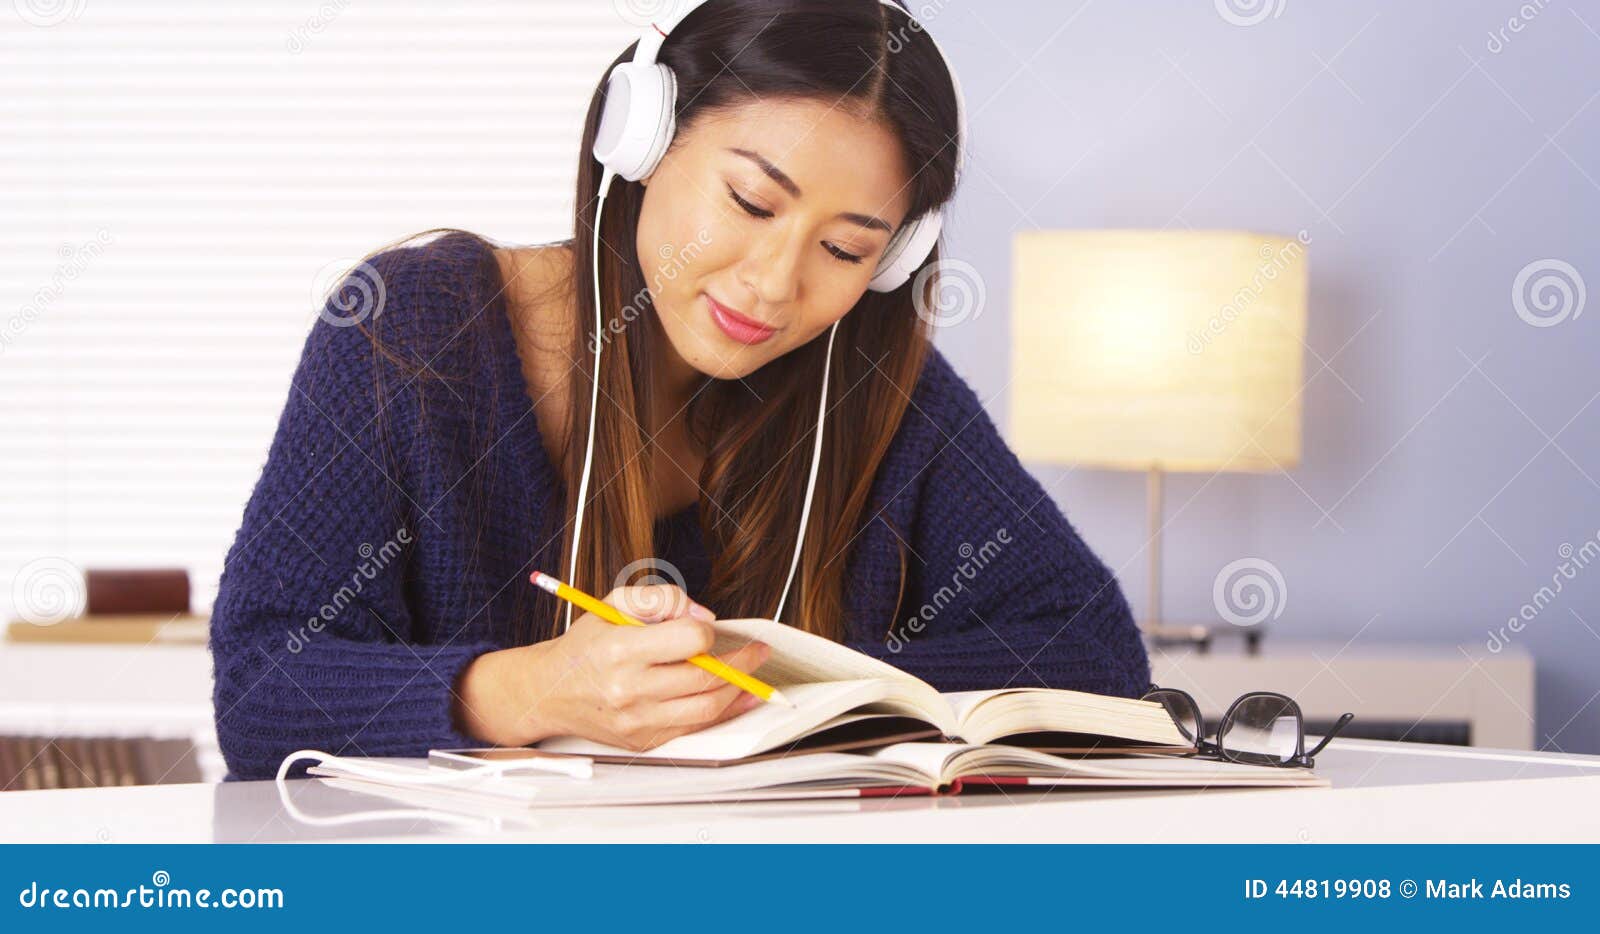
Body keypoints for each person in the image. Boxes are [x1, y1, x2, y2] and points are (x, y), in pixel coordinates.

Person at [210, 0, 1149, 781]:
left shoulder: (874, 384)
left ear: (893, 259)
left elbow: (1095, 652)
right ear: (644, 136)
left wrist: (794, 691)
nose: (776, 284)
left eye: (846, 249)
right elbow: (262, 692)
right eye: (750, 202)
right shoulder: (415, 330)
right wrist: (534, 691)